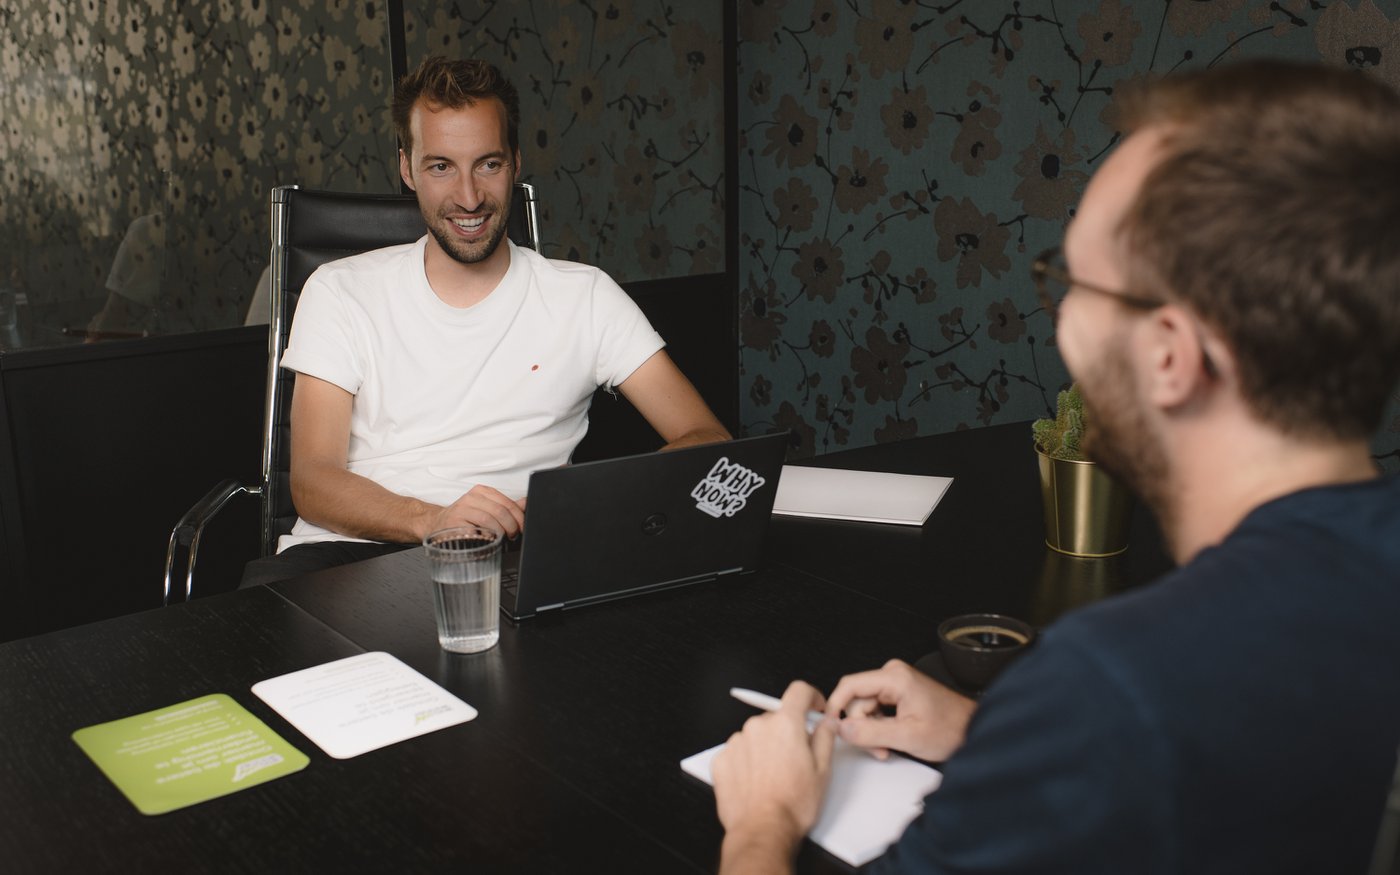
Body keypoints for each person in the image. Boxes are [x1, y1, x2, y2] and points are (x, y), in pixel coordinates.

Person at [711, 60, 1400, 874]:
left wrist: (764, 817)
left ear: (1170, 357)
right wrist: (1000, 738)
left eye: (1074, 284)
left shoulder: (1110, 682)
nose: (1062, 317)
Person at [241, 57, 729, 586]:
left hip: (518, 554)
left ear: (516, 163)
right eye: (441, 166)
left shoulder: (584, 296)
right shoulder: (340, 289)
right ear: (407, 168)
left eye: (488, 164)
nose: (469, 198)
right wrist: (435, 521)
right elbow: (313, 482)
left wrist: (580, 505)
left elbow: (705, 436)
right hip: (349, 555)